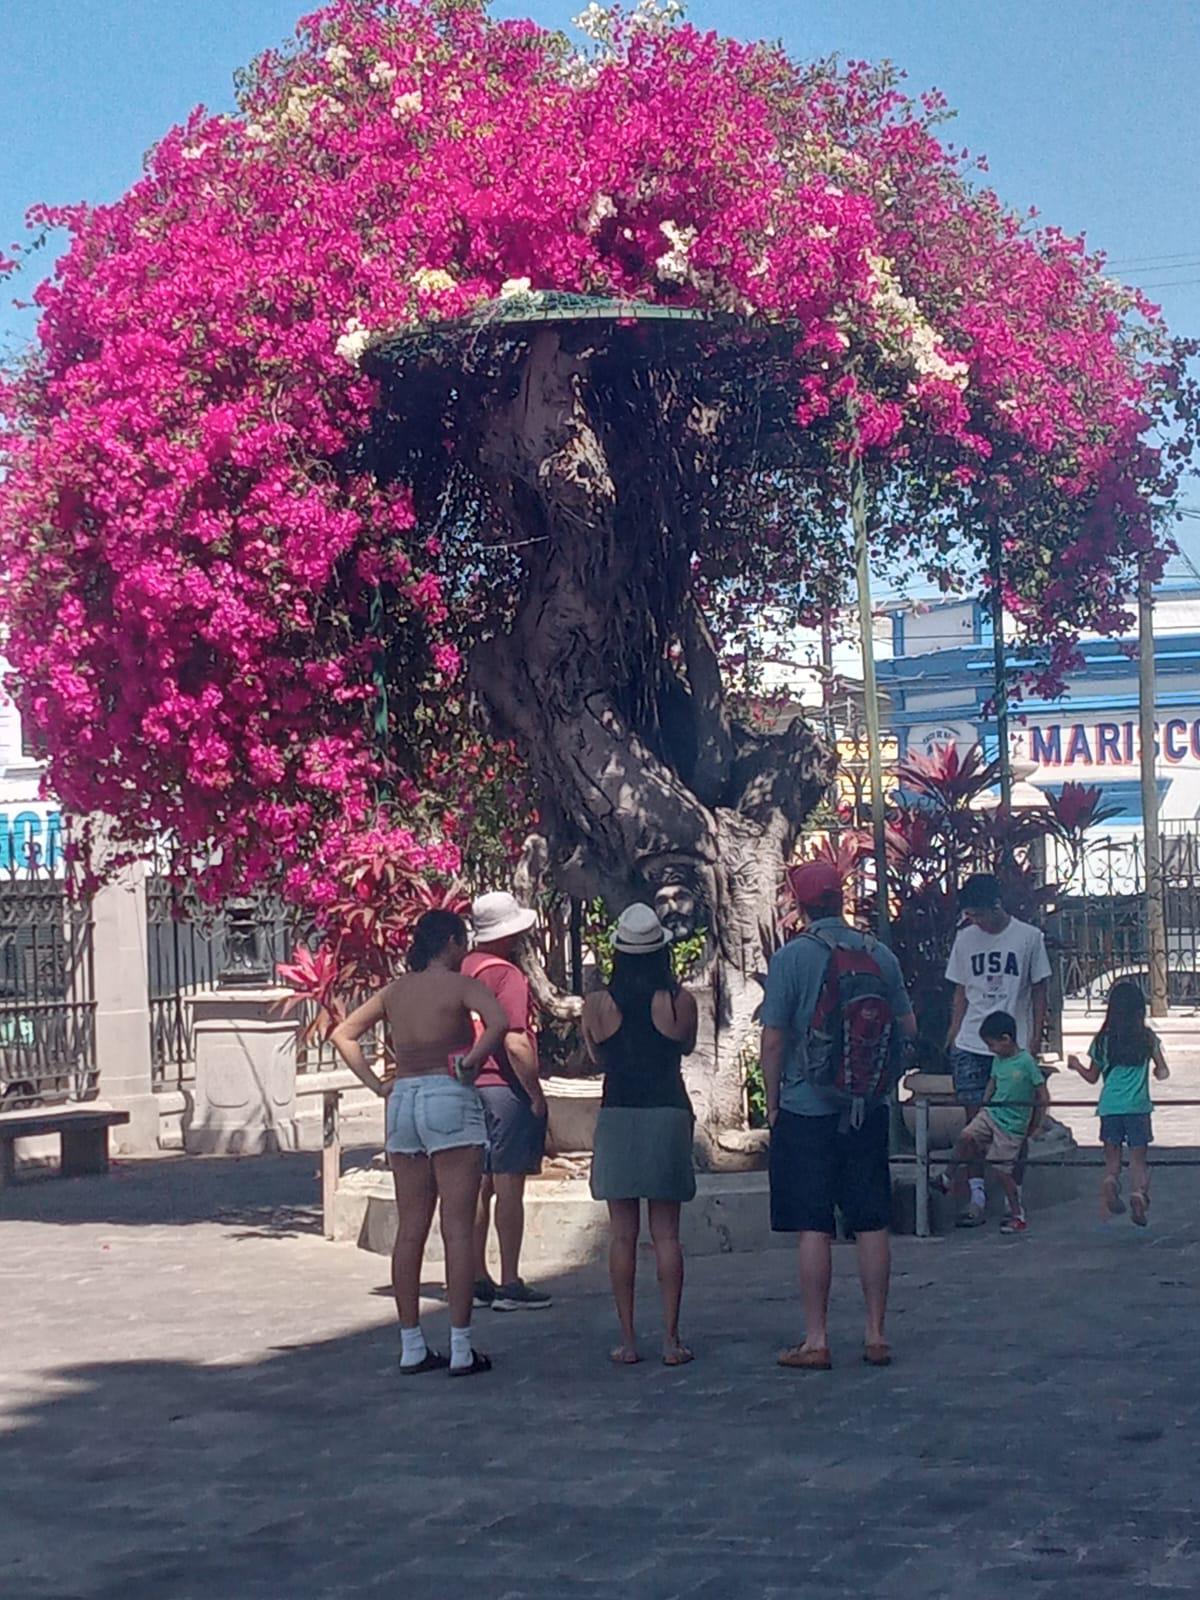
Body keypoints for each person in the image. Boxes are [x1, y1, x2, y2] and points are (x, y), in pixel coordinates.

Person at [331, 909, 507, 1377]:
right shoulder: (460, 984)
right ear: (449, 942)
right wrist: (471, 1061)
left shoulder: (395, 991)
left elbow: (343, 1033)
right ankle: (462, 1346)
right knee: (457, 1225)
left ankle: (411, 1343)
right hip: (448, 1093)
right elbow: (498, 1021)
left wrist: (376, 1084)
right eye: (462, 940)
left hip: (403, 1099)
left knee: (411, 1227)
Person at [761, 862, 917, 1371]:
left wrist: (773, 1098)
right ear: (842, 898)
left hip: (808, 1107)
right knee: (872, 1220)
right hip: (866, 1106)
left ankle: (817, 1338)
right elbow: (907, 1024)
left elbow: (775, 1036)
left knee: (814, 1224)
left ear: (800, 903)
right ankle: (876, 1333)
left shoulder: (792, 959)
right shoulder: (879, 954)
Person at [583, 903, 699, 1367]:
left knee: (622, 1235)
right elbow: (685, 1046)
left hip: (618, 1114)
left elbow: (596, 1056)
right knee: (667, 1234)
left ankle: (628, 1340)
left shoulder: (598, 1004)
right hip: (667, 1110)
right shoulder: (678, 1000)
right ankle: (671, 1340)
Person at [945, 873, 1052, 1228]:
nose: (975, 922)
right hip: (972, 1044)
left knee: (1013, 1123)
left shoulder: (1028, 938)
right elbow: (960, 990)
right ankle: (976, 1195)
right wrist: (954, 1030)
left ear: (996, 907)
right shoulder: (965, 940)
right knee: (976, 1122)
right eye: (970, 916)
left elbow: (1039, 990)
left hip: (1011, 1045)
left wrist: (1035, 1039)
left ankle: (1013, 1199)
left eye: (979, 915)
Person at [466, 891, 552, 1313]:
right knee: (508, 1185)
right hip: (502, 1087)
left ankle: (476, 1275)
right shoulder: (506, 976)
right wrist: (535, 1094)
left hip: (465, 1086)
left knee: (478, 1185)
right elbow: (515, 1038)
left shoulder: (461, 969)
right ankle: (511, 1279)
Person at [1067, 980, 1169, 1226]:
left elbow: (1092, 1077)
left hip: (1109, 1108)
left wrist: (1076, 1065)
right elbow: (1163, 1071)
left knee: (1112, 1160)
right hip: (1138, 1108)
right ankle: (1138, 1194)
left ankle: (1110, 1182)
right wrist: (1156, 1073)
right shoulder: (1147, 1038)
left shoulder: (1103, 1040)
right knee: (1138, 1160)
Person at [937, 1010, 1048, 1235]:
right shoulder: (998, 1060)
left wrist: (1036, 1124)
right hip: (991, 1113)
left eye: (992, 1045)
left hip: (1012, 1125)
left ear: (1006, 1040)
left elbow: (1042, 1095)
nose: (990, 1050)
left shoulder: (1026, 1062)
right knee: (966, 1136)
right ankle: (947, 1177)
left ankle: (1017, 1213)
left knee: (1002, 1171)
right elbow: (992, 1081)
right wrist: (984, 1104)